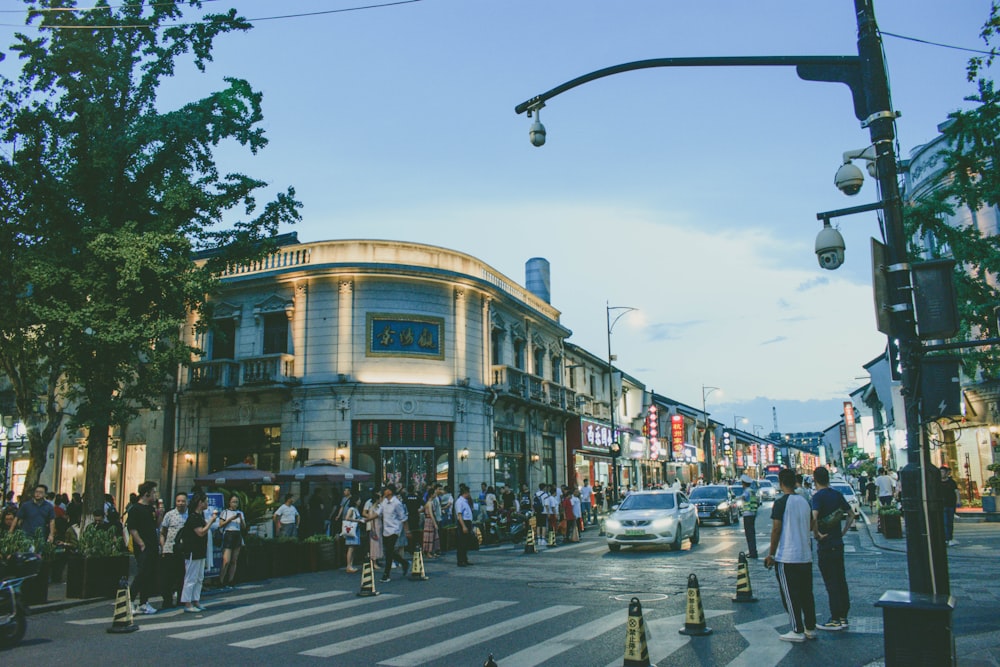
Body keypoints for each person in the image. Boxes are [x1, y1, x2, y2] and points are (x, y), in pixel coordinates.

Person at [764, 468, 817, 643]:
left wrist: (771, 554)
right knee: (806, 593)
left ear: (780, 483)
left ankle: (797, 629)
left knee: (790, 595)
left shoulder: (780, 503)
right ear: (794, 481)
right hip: (805, 555)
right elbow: (811, 525)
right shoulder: (804, 501)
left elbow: (776, 529)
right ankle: (810, 628)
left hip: (787, 556)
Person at [811, 466, 854, 632]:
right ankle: (843, 616)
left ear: (815, 480)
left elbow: (814, 517)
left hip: (826, 545)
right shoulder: (837, 494)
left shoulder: (818, 497)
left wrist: (817, 534)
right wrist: (843, 531)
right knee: (841, 580)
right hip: (838, 543)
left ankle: (835, 618)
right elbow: (850, 514)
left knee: (831, 582)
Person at [127, 480, 160, 615]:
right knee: (141, 574)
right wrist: (141, 544)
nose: (155, 496)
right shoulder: (135, 509)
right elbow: (132, 529)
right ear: (146, 494)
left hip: (152, 544)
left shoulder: (151, 509)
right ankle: (129, 601)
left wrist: (160, 514)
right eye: (153, 493)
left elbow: (156, 525)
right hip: (143, 546)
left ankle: (144, 602)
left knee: (149, 574)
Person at [180, 492, 216, 613]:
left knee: (199, 577)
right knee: (191, 577)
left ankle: (196, 600)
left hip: (200, 551)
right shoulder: (193, 517)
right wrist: (211, 521)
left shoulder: (200, 516)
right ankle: (187, 603)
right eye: (205, 501)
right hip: (192, 551)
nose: (207, 504)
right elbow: (200, 532)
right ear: (200, 503)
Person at [159, 491, 188, 609]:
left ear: (187, 502)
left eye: (183, 501)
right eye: (178, 501)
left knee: (181, 576)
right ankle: (167, 600)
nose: (180, 503)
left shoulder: (190, 515)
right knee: (168, 577)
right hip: (169, 549)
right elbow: (163, 532)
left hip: (183, 551)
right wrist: (163, 546)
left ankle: (181, 599)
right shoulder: (169, 515)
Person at [375, 484, 409, 582]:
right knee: (388, 551)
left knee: (389, 552)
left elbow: (403, 518)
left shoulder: (397, 503)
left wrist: (407, 531)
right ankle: (404, 562)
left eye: (386, 490)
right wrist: (366, 519)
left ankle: (386, 574)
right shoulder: (384, 502)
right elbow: (377, 513)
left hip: (394, 530)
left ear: (390, 491)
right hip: (386, 530)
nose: (384, 491)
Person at [218, 494, 246, 588]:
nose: (235, 504)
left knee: (234, 560)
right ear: (229, 502)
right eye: (233, 502)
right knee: (226, 560)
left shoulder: (240, 513)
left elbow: (244, 527)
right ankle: (221, 580)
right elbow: (221, 524)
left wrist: (240, 518)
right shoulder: (225, 512)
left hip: (237, 534)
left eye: (236, 502)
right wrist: (230, 519)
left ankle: (231, 580)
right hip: (228, 534)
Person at [739, 474, 760, 558]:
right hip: (753, 514)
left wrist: (737, 498)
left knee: (749, 534)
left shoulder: (747, 491)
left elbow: (743, 498)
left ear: (744, 484)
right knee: (752, 534)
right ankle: (753, 551)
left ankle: (752, 552)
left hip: (747, 514)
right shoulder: (752, 491)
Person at [454, 484, 474, 566]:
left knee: (466, 542)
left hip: (468, 522)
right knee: (461, 542)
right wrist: (463, 526)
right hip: (463, 522)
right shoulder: (459, 502)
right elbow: (459, 515)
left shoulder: (465, 501)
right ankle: (460, 560)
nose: (469, 494)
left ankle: (465, 559)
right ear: (465, 493)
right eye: (468, 493)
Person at [940, 466, 960, 546]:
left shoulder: (951, 482)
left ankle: (950, 538)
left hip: (951, 504)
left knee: (950, 522)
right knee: (945, 522)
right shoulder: (937, 482)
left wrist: (958, 500)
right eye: (940, 472)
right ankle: (946, 538)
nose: (941, 474)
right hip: (942, 504)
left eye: (943, 472)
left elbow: (956, 491)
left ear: (946, 473)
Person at [363, 489, 383, 567]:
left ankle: (376, 561)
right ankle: (374, 562)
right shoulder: (372, 508)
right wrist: (373, 529)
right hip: (375, 528)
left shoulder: (378, 507)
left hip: (379, 527)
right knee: (374, 545)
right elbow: (371, 520)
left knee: (377, 544)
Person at [342, 497, 362, 573]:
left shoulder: (356, 509)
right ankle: (348, 565)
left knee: (353, 548)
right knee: (351, 548)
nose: (360, 501)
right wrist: (358, 520)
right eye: (358, 499)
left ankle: (351, 565)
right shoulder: (351, 509)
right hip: (352, 530)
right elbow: (347, 518)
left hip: (355, 530)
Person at [422, 484, 440, 558]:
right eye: (434, 493)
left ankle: (430, 551)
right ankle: (428, 552)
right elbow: (431, 513)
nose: (435, 494)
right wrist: (435, 523)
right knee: (430, 536)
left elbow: (422, 510)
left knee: (431, 536)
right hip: (429, 521)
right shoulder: (430, 503)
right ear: (432, 494)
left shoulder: (428, 503)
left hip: (428, 520)